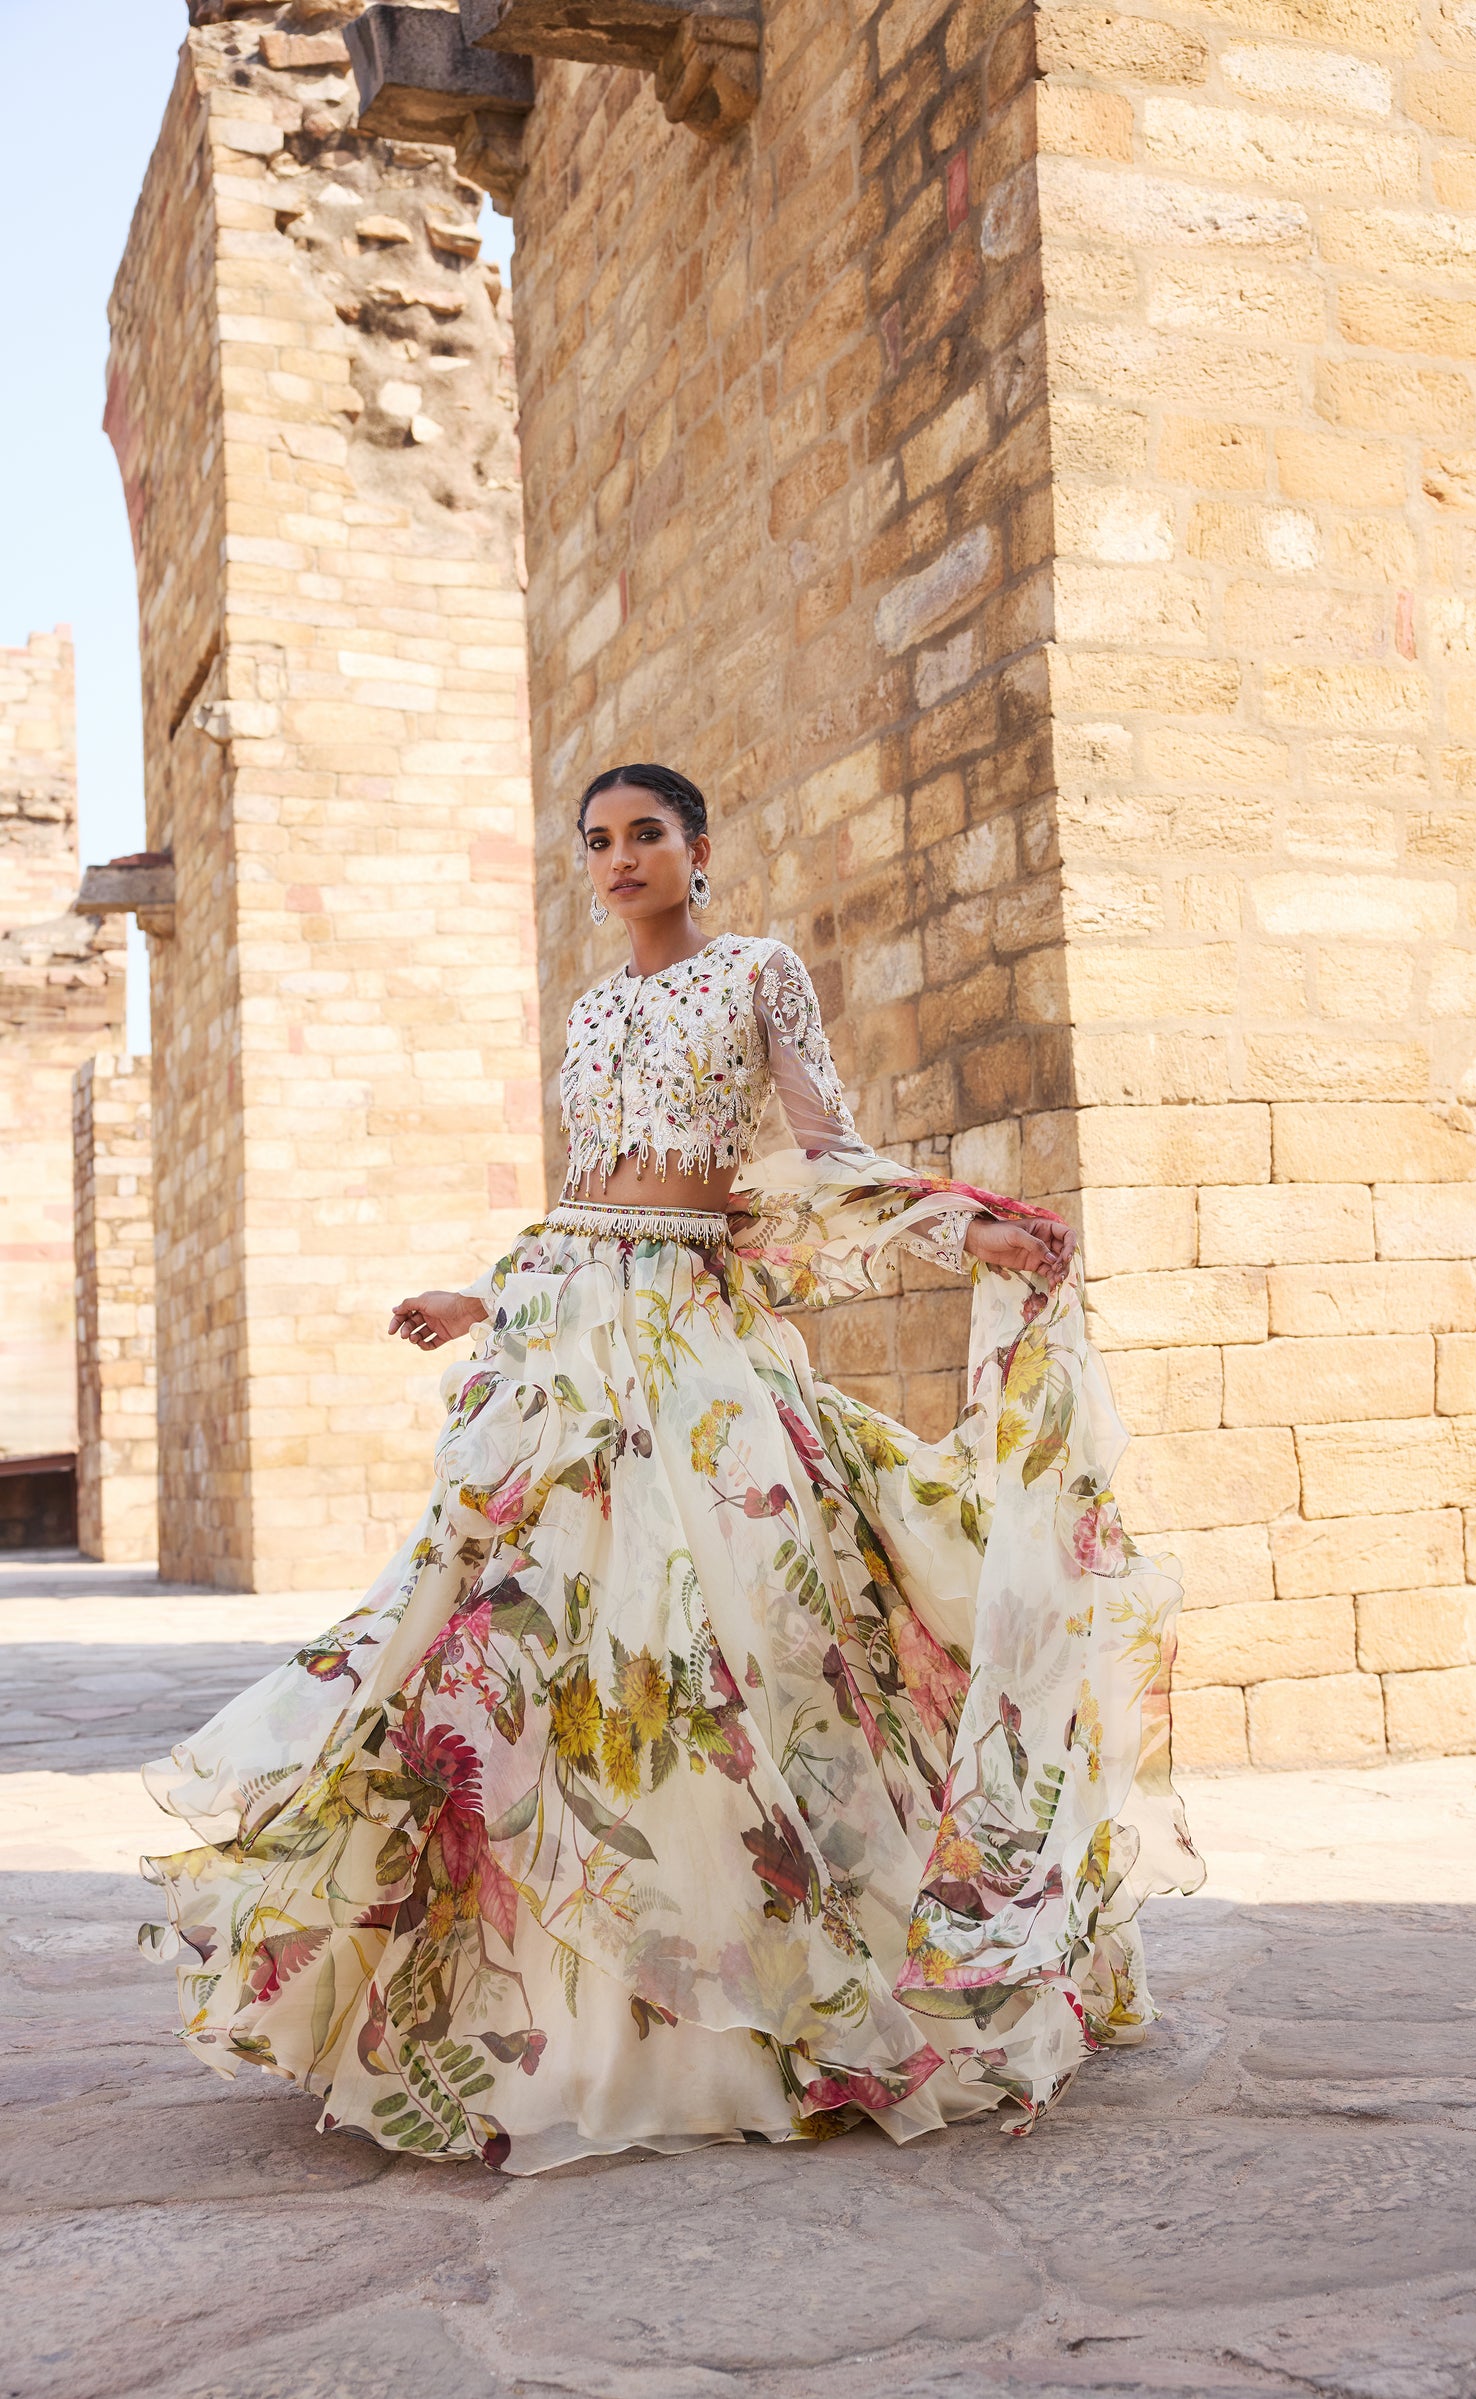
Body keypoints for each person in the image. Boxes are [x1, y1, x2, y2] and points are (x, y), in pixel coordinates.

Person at [142, 762, 1200, 2175]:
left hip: (696, 1344)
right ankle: (545, 2021)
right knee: (507, 1645)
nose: (622, 856)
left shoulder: (758, 972)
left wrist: (961, 1229)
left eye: (647, 834)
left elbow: (826, 1156)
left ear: (697, 850)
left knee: (728, 1637)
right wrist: (482, 1297)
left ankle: (766, 2000)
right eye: (599, 841)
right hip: (568, 1339)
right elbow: (586, 1189)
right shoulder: (589, 1012)